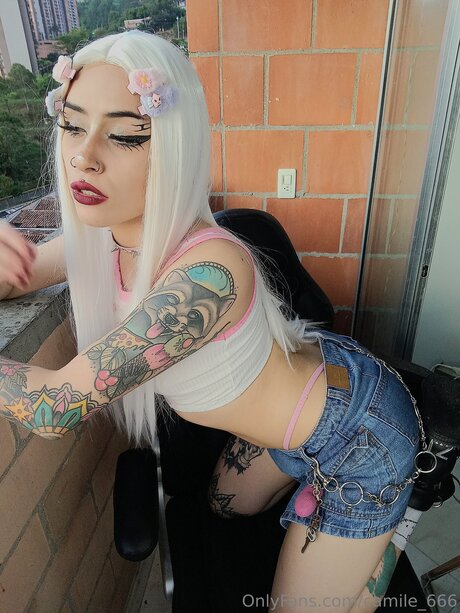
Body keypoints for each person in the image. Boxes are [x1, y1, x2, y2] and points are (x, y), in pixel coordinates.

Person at [0, 30, 432, 612]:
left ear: (173, 148)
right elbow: (19, 276)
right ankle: (326, 511)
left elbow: (52, 407)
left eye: (125, 135)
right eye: (73, 125)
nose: (84, 155)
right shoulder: (107, 239)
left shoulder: (208, 276)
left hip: (361, 433)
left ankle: (375, 534)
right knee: (221, 508)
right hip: (303, 409)